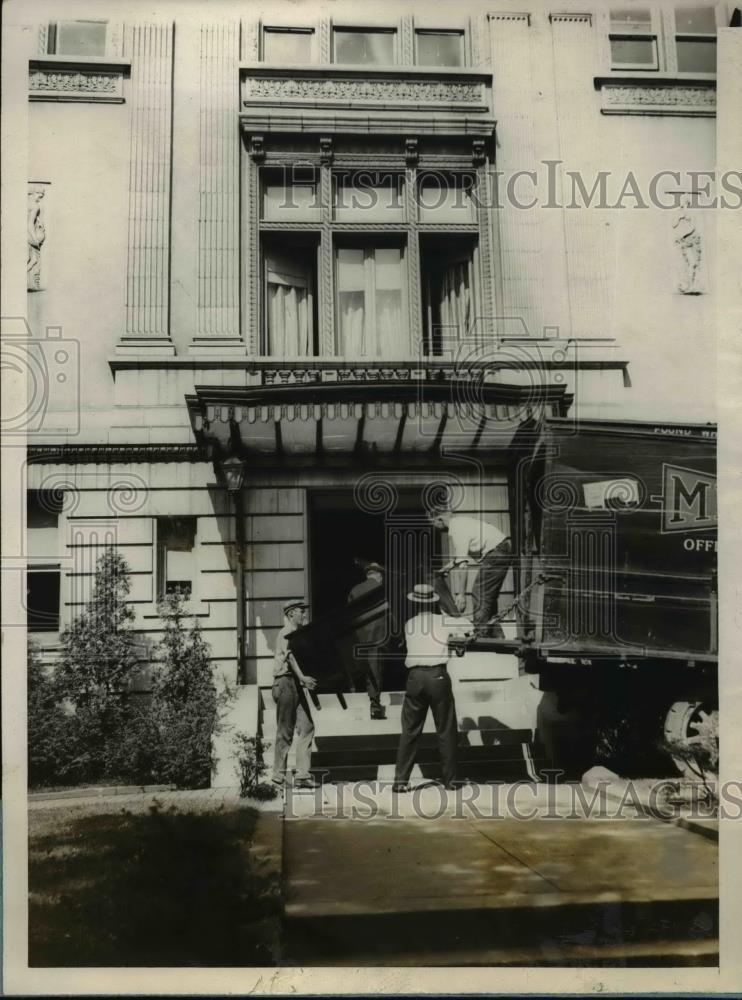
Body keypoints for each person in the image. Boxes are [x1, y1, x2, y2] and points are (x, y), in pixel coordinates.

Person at [393, 584, 473, 792]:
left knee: (409, 731)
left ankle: (400, 781)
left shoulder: (409, 624)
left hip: (414, 678)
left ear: (415, 603)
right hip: (437, 675)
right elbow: (468, 626)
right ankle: (451, 781)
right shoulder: (443, 621)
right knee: (446, 730)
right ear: (434, 601)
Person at [428, 506, 511, 638]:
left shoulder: (456, 530)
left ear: (440, 519)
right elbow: (461, 556)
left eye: (433, 523)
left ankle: (481, 636)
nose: (434, 527)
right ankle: (496, 634)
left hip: (496, 552)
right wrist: (446, 568)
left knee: (479, 593)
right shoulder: (460, 522)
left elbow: (463, 566)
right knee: (488, 596)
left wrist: (461, 594)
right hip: (501, 548)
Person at [271, 599, 318, 790]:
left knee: (307, 727)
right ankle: (277, 779)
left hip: (296, 684)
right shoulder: (286, 633)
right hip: (285, 683)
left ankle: (302, 775)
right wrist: (303, 678)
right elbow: (290, 658)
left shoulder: (298, 635)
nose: (304, 615)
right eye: (301, 612)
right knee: (285, 732)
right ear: (291, 614)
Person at [348, 562, 387, 719]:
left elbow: (348, 614)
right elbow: (388, 612)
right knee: (375, 667)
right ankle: (375, 704)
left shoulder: (355, 590)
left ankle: (353, 691)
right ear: (378, 575)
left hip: (358, 636)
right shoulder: (381, 589)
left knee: (360, 665)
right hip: (377, 636)